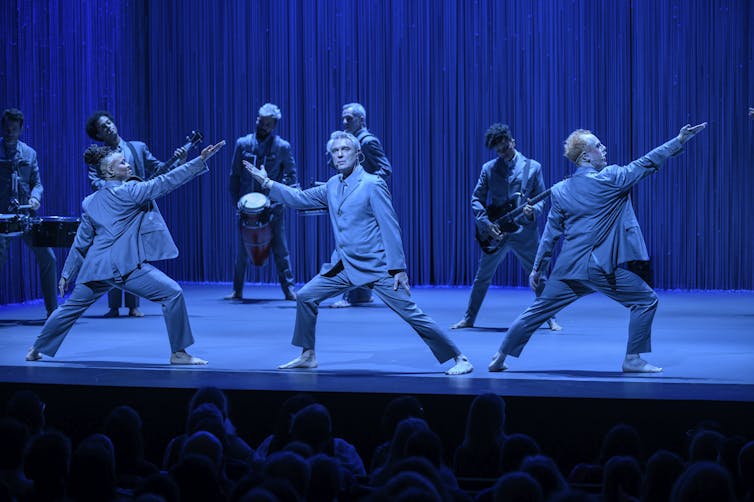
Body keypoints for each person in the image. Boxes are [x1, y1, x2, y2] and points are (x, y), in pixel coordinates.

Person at [245, 130, 473, 375]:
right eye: (335, 151)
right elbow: (299, 199)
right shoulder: (332, 185)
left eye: (345, 150)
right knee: (306, 296)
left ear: (358, 155)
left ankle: (460, 358)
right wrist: (267, 184)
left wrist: (398, 268)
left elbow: (390, 226)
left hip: (377, 266)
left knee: (411, 314)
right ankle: (308, 355)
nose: (340, 154)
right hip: (343, 266)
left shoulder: (372, 184)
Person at [488, 123, 706, 373]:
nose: (604, 149)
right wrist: (678, 140)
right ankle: (633, 359)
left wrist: (537, 268)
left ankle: (500, 356)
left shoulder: (560, 190)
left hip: (568, 268)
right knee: (645, 301)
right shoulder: (612, 178)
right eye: (598, 146)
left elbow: (550, 234)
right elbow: (646, 163)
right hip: (597, 267)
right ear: (585, 156)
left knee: (536, 312)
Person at [24, 140, 226, 364]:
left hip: (96, 268)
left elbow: (81, 242)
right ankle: (179, 353)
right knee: (173, 293)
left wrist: (66, 274)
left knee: (69, 309)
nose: (128, 164)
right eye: (122, 163)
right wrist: (201, 160)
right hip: (124, 266)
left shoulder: (90, 201)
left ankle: (36, 348)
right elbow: (166, 181)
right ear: (110, 171)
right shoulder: (131, 191)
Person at [451, 123, 560, 331]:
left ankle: (551, 318)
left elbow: (541, 199)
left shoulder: (533, 167)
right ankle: (469, 318)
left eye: (505, 148)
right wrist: (485, 223)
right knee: (482, 276)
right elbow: (476, 199)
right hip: (497, 232)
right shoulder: (489, 169)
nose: (502, 153)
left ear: (513, 142)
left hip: (525, 233)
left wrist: (533, 211)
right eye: (498, 151)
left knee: (539, 275)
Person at [85, 110, 187, 318]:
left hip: (136, 209)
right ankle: (113, 307)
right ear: (99, 135)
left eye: (109, 123)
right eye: (103, 127)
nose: (109, 127)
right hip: (112, 210)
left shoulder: (137, 147)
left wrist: (179, 160)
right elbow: (94, 181)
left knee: (135, 254)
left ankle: (133, 305)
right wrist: (115, 187)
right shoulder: (100, 157)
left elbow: (159, 169)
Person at [226, 103, 297, 301]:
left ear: (274, 125)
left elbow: (291, 177)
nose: (262, 125)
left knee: (280, 249)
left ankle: (289, 290)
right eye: (260, 120)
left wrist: (281, 197)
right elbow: (234, 175)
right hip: (246, 208)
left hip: (273, 208)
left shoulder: (283, 147)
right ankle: (237, 290)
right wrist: (236, 202)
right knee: (241, 251)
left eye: (267, 123)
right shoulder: (243, 144)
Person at [330, 102, 392, 308]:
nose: (345, 121)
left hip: (362, 204)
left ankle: (351, 296)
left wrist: (362, 184)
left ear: (361, 120)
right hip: (352, 203)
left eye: (349, 118)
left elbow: (385, 169)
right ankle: (361, 295)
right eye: (344, 118)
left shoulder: (367, 142)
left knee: (348, 247)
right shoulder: (349, 141)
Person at [0, 108, 58, 317]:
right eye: (7, 129)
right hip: (1, 217)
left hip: (25, 216)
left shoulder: (29, 153)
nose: (10, 132)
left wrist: (35, 198)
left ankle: (52, 311)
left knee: (48, 258)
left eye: (14, 129)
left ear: (20, 129)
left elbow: (38, 184)